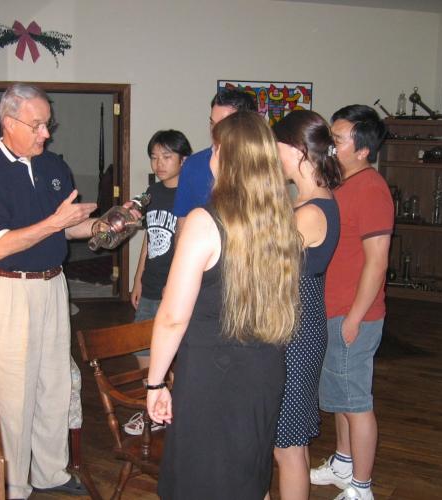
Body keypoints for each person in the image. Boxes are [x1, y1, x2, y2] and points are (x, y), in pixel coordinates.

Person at [146, 111, 302, 500]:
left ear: (225, 156)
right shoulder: (282, 222)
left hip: (213, 379)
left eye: (215, 148)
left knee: (204, 481)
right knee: (247, 477)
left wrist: (154, 382)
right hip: (264, 371)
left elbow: (171, 317)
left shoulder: (205, 222)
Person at [0, 83, 97, 499]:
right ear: (10, 123)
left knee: (54, 382)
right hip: (8, 290)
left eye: (47, 124)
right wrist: (56, 224)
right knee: (14, 390)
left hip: (53, 284)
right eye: (38, 125)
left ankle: (51, 472)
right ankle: (15, 486)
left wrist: (107, 225)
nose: (47, 134)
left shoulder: (54, 166)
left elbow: (68, 226)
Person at [310, 105, 393, 500]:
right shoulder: (341, 182)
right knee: (340, 395)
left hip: (352, 313)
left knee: (356, 402)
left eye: (338, 139)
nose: (330, 144)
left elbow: (377, 262)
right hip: (333, 308)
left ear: (362, 149)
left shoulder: (372, 188)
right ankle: (343, 463)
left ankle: (362, 487)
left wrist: (354, 318)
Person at [272, 110, 342, 500]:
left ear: (296, 151)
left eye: (275, 148)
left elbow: (265, 267)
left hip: (297, 333)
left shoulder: (312, 211)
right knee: (284, 442)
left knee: (288, 445)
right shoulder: (308, 202)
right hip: (296, 324)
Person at [124, 130, 192, 436]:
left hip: (178, 291)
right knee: (143, 352)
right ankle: (148, 410)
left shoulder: (191, 196)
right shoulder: (150, 194)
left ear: (183, 159)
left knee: (176, 356)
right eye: (154, 157)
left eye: (166, 156)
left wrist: (176, 284)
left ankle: (174, 412)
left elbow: (190, 245)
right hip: (151, 286)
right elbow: (150, 240)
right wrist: (137, 279)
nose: (159, 163)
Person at [172, 88, 257, 230]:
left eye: (223, 124)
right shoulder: (193, 165)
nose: (215, 130)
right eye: (212, 123)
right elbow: (183, 222)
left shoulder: (261, 166)